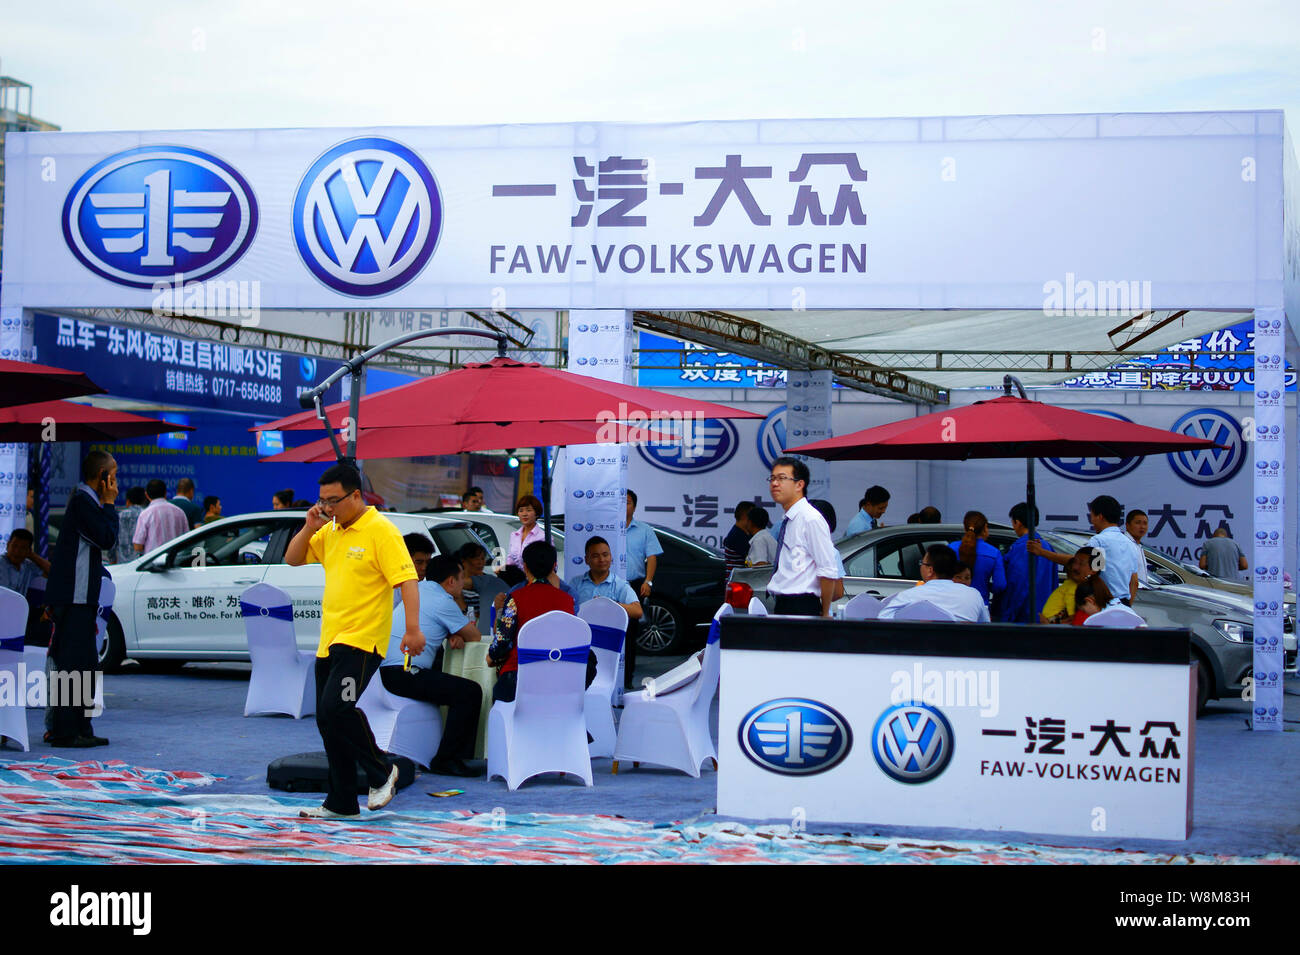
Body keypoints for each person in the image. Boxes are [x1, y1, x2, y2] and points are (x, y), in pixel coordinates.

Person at [285, 462, 423, 819]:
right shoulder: (330, 530)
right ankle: (341, 801)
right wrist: (308, 526)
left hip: (362, 641)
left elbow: (406, 581)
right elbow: (293, 559)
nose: (327, 507)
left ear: (356, 495)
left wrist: (412, 629)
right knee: (327, 720)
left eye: (334, 500)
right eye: (322, 500)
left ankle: (381, 770)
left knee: (336, 709)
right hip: (329, 640)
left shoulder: (381, 530)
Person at [379, 548, 483, 777]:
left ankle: (452, 756)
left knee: (459, 689)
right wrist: (456, 632)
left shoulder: (418, 590)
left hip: (389, 670)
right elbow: (474, 636)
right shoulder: (443, 601)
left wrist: (451, 633)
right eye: (462, 578)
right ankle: (448, 759)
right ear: (450, 581)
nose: (465, 583)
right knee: (470, 692)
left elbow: (431, 623)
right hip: (403, 671)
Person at [45, 450, 118, 747]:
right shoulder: (82, 501)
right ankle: (65, 731)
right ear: (102, 477)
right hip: (73, 598)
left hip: (82, 596)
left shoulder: (88, 501)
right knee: (72, 665)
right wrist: (111, 503)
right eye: (112, 474)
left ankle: (81, 726)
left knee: (86, 663)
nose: (116, 481)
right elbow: (107, 538)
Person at [488, 540, 577, 704]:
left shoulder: (515, 598)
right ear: (554, 567)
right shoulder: (568, 600)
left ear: (525, 567)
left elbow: (502, 641)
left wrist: (492, 656)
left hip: (518, 676)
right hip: (559, 676)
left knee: (497, 694)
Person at [765, 457, 841, 616]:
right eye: (772, 478)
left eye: (781, 478)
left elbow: (827, 569)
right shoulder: (789, 519)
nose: (774, 483)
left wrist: (825, 613)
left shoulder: (810, 519)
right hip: (783, 603)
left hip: (801, 605)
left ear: (799, 484)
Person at [879, 544, 990, 622]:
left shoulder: (909, 595)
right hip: (962, 652)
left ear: (930, 570)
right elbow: (985, 627)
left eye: (922, 563)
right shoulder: (974, 595)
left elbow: (881, 619)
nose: (921, 566)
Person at [624, 489, 664, 690]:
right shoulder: (608, 527)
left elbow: (653, 557)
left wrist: (648, 582)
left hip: (632, 585)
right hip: (609, 584)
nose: (624, 505)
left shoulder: (644, 530)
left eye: (628, 502)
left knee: (630, 635)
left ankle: (626, 678)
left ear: (634, 506)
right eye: (621, 501)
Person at [1003, 502, 1058, 623]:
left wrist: (1009, 615)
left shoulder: (1021, 548)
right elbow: (1054, 582)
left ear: (1018, 522)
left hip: (1023, 616)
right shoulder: (1047, 547)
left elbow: (1018, 584)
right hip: (1045, 615)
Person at [569, 536, 644, 623]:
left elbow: (638, 611)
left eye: (605, 555)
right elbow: (565, 608)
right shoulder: (576, 583)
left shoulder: (619, 584)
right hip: (582, 632)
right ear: (586, 560)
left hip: (610, 633)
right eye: (595, 556)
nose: (601, 560)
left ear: (611, 557)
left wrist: (610, 605)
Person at [950, 510, 1006, 607]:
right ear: (985, 528)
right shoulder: (994, 553)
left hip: (953, 605)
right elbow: (1000, 585)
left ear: (965, 528)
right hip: (980, 606)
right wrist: (985, 586)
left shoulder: (950, 549)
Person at [132, 479, 190, 555]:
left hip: (152, 562)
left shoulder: (145, 514)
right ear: (165, 493)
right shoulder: (179, 512)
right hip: (175, 560)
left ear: (146, 495)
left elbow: (138, 546)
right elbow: (187, 540)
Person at [456, 540, 508, 622]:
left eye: (483, 558)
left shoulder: (490, 582)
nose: (480, 562)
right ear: (464, 561)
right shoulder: (455, 588)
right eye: (476, 558)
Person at [0, 528, 50, 596]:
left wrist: (32, 556)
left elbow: (54, 573)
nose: (17, 551)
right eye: (14, 546)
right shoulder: (1, 563)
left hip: (20, 605)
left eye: (23, 548)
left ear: (28, 550)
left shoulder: (28, 566)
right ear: (8, 545)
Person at [1041, 555, 1088, 623]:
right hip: (1052, 617)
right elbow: (1070, 603)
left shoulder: (1067, 584)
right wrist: (1072, 616)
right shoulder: (1073, 586)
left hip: (1049, 614)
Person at [505, 494, 545, 570]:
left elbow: (550, 564)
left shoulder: (543, 537)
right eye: (521, 511)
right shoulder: (514, 535)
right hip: (516, 580)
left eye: (528, 510)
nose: (524, 514)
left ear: (536, 513)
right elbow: (510, 560)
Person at [114, 486, 147, 564]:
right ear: (145, 500)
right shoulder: (147, 515)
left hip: (122, 564)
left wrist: (112, 559)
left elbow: (113, 541)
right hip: (142, 563)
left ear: (128, 501)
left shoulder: (119, 516)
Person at [722, 500, 754, 579]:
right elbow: (753, 560)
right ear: (744, 516)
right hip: (737, 582)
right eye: (753, 515)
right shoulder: (737, 536)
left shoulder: (741, 533)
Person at [1124, 509, 1151, 586]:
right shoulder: (1125, 544)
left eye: (1145, 523)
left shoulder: (1138, 545)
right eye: (1138, 523)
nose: (1142, 527)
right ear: (1127, 525)